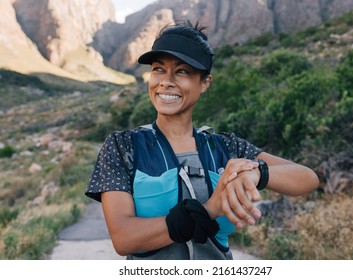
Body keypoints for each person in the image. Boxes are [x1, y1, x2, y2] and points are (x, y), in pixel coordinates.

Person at [85, 21, 319, 260]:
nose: (166, 81)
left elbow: (307, 178)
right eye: (158, 69)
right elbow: (124, 239)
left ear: (205, 83)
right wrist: (208, 210)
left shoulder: (225, 146)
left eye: (182, 71)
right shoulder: (123, 146)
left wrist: (257, 173)